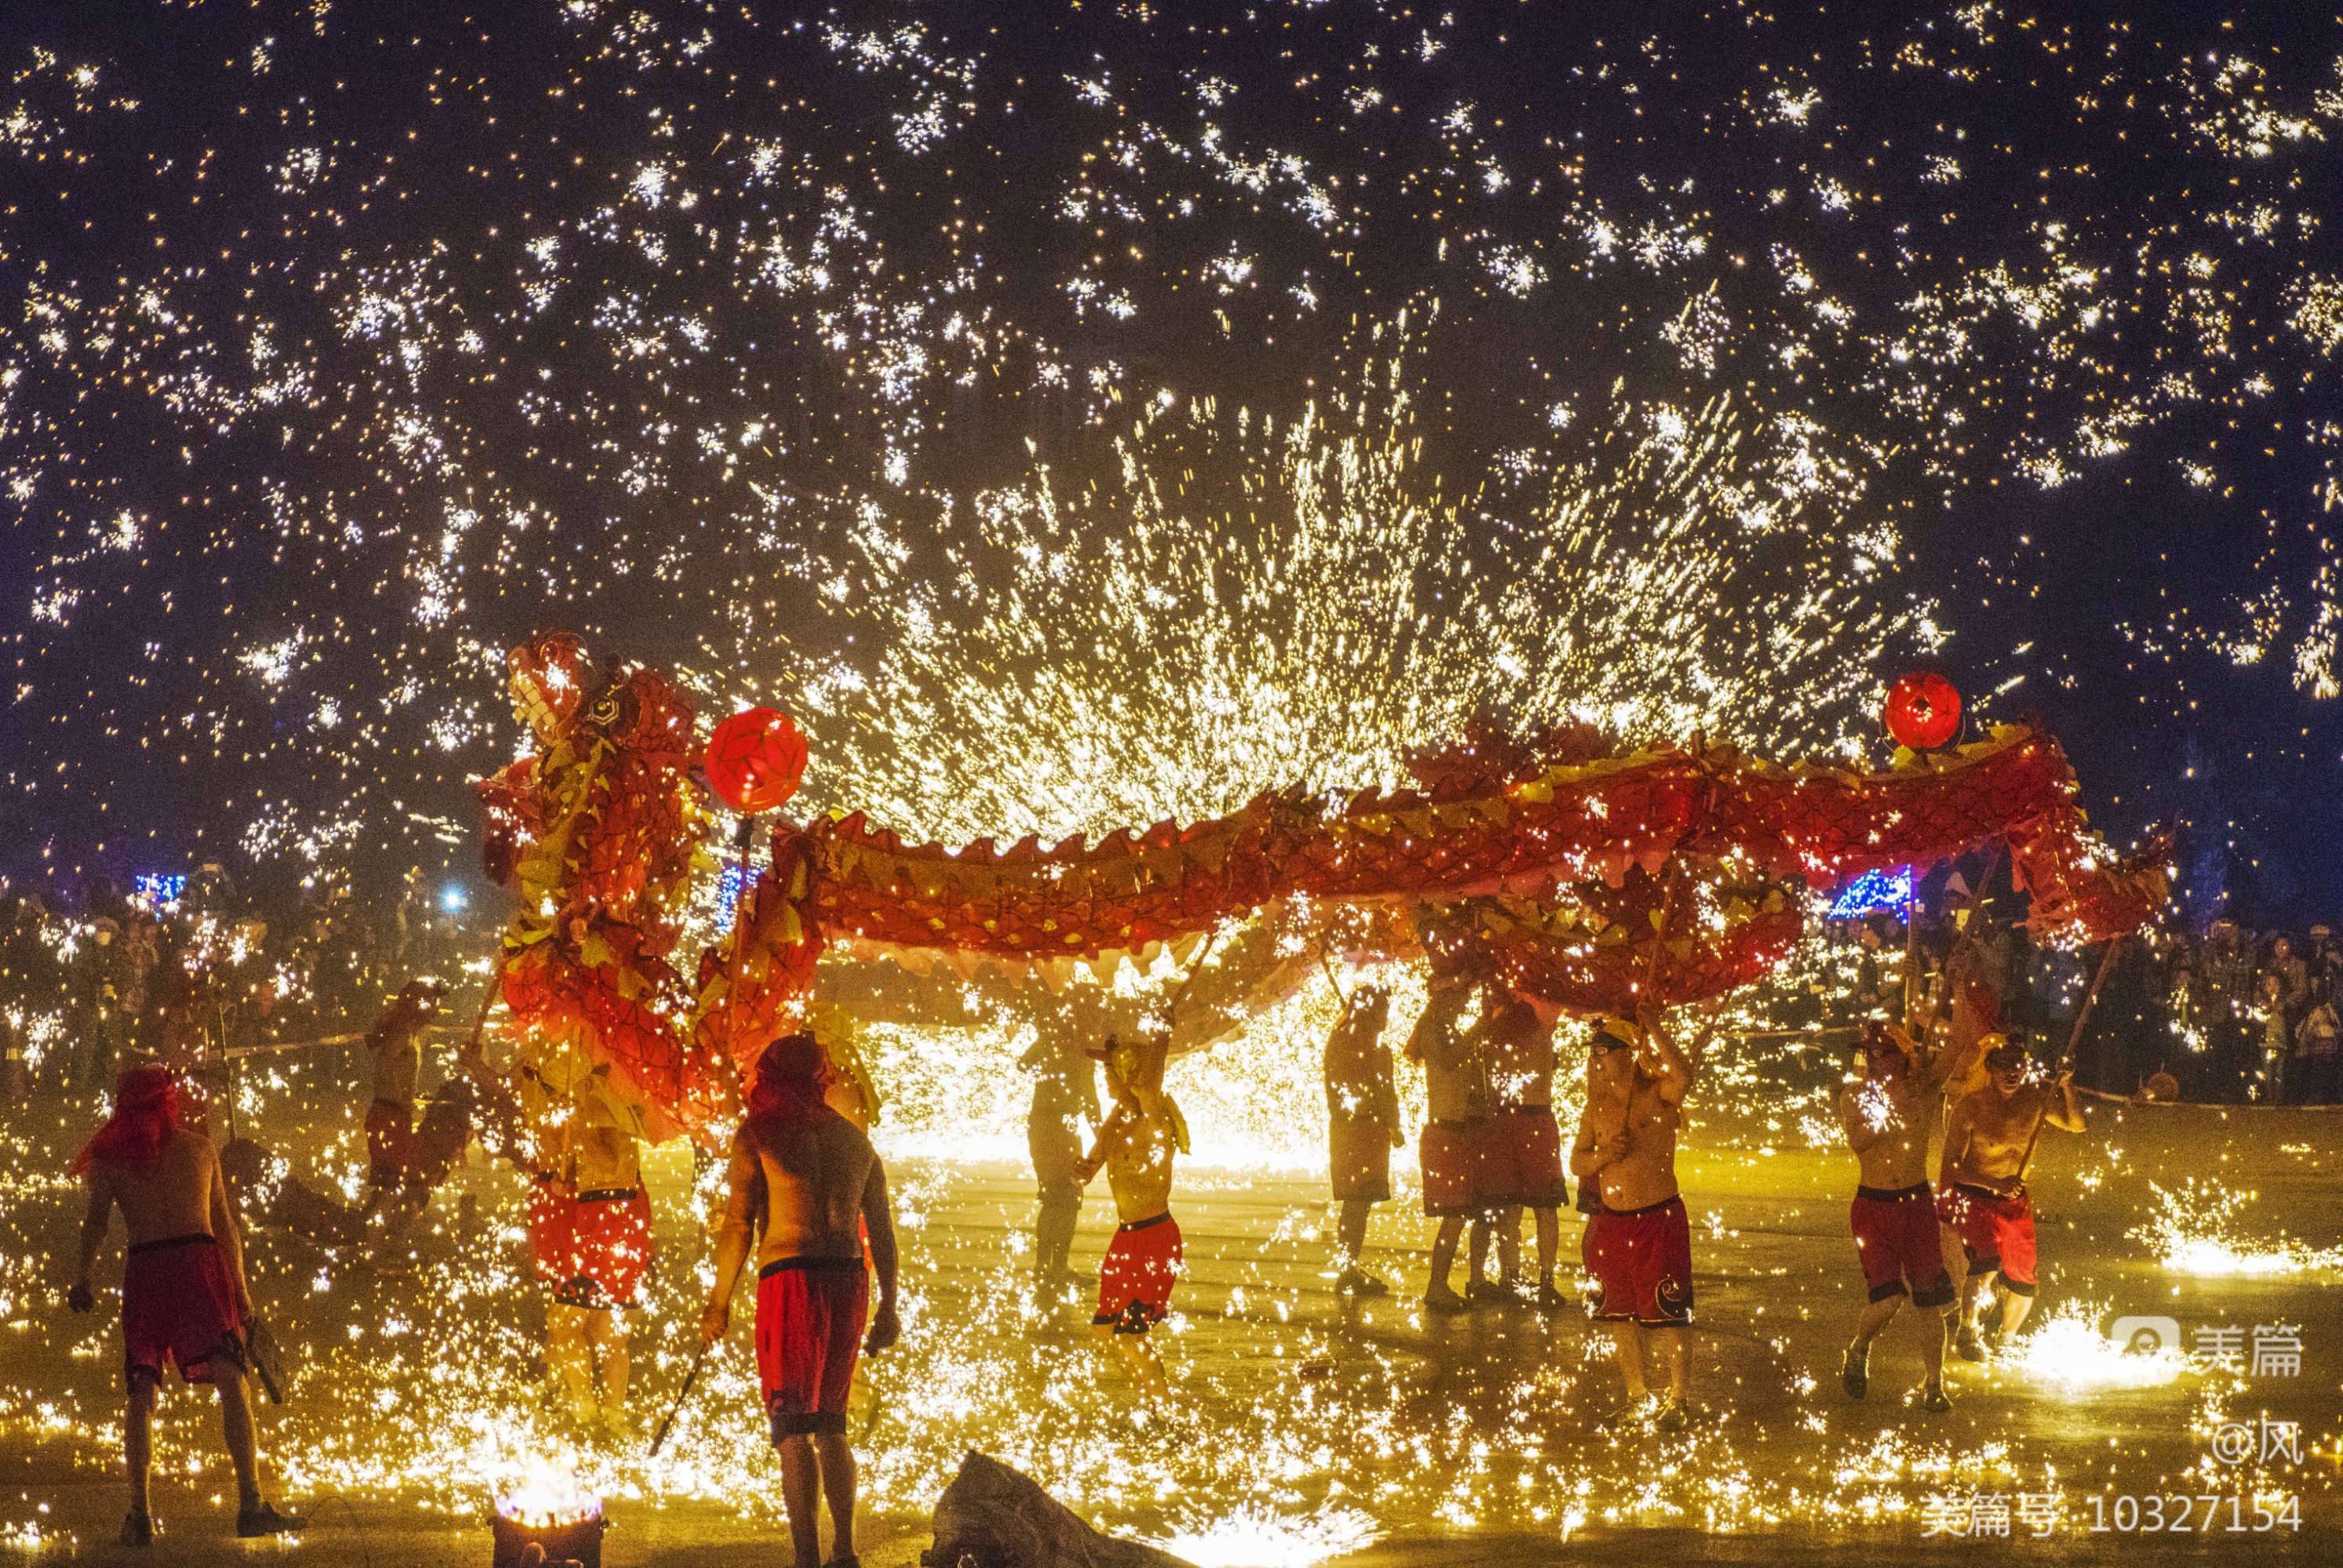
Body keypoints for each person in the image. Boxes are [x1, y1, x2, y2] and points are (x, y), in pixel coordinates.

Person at [66, 1063, 301, 1544]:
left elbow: (95, 1228)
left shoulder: (111, 1162)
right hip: (199, 1265)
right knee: (233, 1383)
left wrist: (82, 1277)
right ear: (168, 1102)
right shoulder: (199, 1149)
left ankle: (140, 1515)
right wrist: (242, 1294)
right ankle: (250, 1502)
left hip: (147, 1270)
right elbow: (227, 1228)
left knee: (142, 1390)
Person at [703, 1034, 901, 1568]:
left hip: (790, 1281)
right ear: (821, 1079)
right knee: (832, 1424)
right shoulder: (856, 1142)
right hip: (849, 1281)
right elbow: (882, 1234)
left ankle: (806, 1560)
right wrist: (890, 1306)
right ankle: (845, 1551)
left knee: (793, 1430)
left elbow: (737, 1226)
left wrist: (718, 1301)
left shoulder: (758, 1135)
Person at [1570, 1008, 1703, 1430]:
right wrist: (1605, 1156)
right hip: (1613, 1221)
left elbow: (1684, 1077)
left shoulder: (1656, 1092)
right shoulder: (1596, 1105)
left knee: (1667, 1313)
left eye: (1605, 1052)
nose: (1598, 1061)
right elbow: (1577, 1162)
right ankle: (1636, 1395)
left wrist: (1654, 1025)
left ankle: (1678, 1399)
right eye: (1595, 1054)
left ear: (1627, 1053)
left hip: (1657, 1218)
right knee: (1618, 1314)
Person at [1836, 1019, 1977, 1413]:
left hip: (1915, 1205)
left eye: (1888, 1053)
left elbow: (1960, 1041)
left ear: (1903, 1056)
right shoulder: (1854, 1096)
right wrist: (1886, 1109)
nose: (1880, 1061)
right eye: (1874, 1054)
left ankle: (1934, 1383)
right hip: (1873, 1206)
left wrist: (1961, 976)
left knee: (1928, 1300)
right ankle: (1860, 1347)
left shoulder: (1925, 1090)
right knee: (1889, 1298)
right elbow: (1859, 1142)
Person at [1937, 1039, 2086, 1359]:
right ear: (1990, 1069)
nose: (2012, 1072)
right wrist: (1993, 1182)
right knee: (1987, 1262)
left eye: (2018, 1065)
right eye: (2004, 1065)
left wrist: (2066, 1084)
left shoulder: (2036, 1101)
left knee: (2024, 1279)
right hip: (1975, 1196)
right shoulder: (1971, 1106)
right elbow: (1951, 1167)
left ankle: (2006, 1340)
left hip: (2014, 1202)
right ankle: (1969, 1329)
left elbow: (2076, 1125)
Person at [1071, 1029, 1188, 1405]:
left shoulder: (1156, 1122)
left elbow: (1152, 1087)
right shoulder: (1118, 1123)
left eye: (1110, 1073)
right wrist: (1083, 1170)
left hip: (1155, 1240)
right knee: (1105, 1338)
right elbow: (1093, 1161)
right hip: (1125, 1240)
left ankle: (1163, 1412)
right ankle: (1147, 1400)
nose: (1104, 1080)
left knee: (1130, 1338)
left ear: (1130, 1076)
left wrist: (1162, 1035)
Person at [546, 1120, 656, 1436]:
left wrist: (578, 1130)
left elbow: (611, 1163)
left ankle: (606, 1413)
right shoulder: (588, 1100)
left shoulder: (609, 1103)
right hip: (596, 1215)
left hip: (614, 1220)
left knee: (592, 1329)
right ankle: (595, 1411)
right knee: (574, 1325)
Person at [1473, 990, 1568, 1308]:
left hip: (1506, 1120)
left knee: (1512, 1207)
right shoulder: (1542, 1025)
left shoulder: (1495, 1028)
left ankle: (1512, 1276)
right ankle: (1542, 1281)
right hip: (1534, 1120)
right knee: (1543, 1208)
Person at [1408, 968, 1492, 1313]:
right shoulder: (1432, 1031)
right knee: (1454, 1216)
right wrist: (1480, 1026)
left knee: (1468, 1213)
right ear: (1446, 997)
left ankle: (1460, 1281)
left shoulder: (1445, 1029)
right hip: (1445, 1135)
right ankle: (1436, 1286)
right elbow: (1449, 1059)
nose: (1467, 1002)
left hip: (1460, 1131)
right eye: (1463, 996)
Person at [1320, 983, 1401, 1296]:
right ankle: (1349, 1268)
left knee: (1353, 1203)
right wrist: (1395, 1127)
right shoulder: (1376, 1047)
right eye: (1383, 1010)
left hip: (1343, 1128)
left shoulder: (1338, 1039)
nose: (1386, 1018)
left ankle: (1347, 1265)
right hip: (1367, 1130)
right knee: (1359, 1204)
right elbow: (1384, 1091)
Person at [1018, 1032, 1101, 1297]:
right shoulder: (1080, 1046)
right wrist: (1105, 1139)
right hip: (1058, 1126)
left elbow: (1024, 1065)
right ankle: (1054, 1267)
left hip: (1046, 1125)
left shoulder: (1052, 1038)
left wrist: (1050, 1064)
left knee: (1056, 1196)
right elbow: (1090, 1099)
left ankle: (1047, 1267)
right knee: (1065, 1195)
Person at [358, 978, 441, 1229]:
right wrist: (399, 1098)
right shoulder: (404, 1033)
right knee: (393, 1187)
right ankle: (370, 1239)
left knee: (391, 1185)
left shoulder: (413, 1032)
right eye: (432, 1002)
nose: (436, 1008)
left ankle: (366, 1235)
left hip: (394, 1115)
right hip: (389, 1115)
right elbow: (384, 1063)